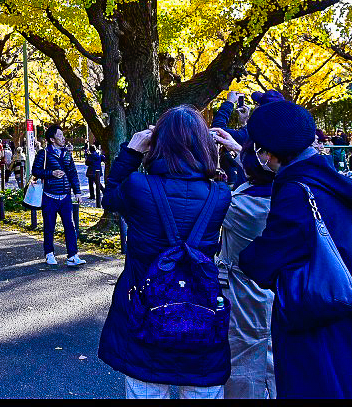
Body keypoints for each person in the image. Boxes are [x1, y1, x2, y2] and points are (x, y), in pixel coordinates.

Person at [239, 101, 352, 399]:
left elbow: (265, 260)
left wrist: (246, 255)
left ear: (270, 152)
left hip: (322, 310)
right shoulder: (329, 179)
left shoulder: (294, 190)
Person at [98, 107, 232, 398]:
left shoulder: (138, 186)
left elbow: (109, 198)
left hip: (146, 311)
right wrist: (237, 150)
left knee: (145, 386)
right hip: (201, 312)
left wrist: (132, 152)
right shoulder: (220, 194)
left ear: (157, 143)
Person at [211, 128, 276, 399]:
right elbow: (266, 172)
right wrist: (240, 150)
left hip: (241, 291)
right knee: (278, 356)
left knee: (242, 360)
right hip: (278, 289)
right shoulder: (288, 196)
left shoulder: (237, 207)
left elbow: (211, 199)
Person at [32, 124, 84, 267]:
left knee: (70, 226)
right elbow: (35, 171)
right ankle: (49, 254)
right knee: (49, 226)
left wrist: (77, 192)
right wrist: (51, 173)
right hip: (50, 196)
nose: (63, 138)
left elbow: (73, 173)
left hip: (65, 196)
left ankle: (73, 256)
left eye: (62, 135)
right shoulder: (44, 153)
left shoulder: (67, 153)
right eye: (60, 136)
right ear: (52, 139)